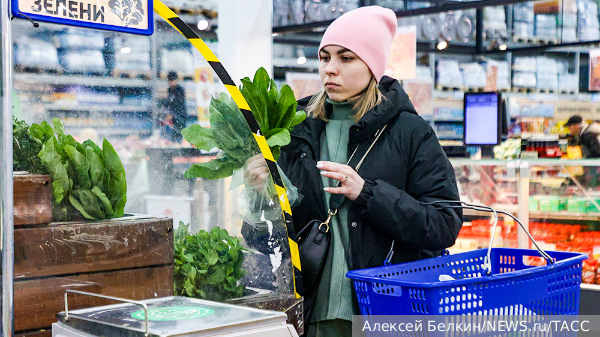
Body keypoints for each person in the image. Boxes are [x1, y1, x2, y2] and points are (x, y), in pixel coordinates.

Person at [247, 6, 462, 336]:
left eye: (346, 58)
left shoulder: (411, 133)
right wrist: (260, 196)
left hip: (385, 314)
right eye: (324, 57)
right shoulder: (296, 129)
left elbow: (444, 224)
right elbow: (268, 242)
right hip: (309, 314)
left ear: (373, 65)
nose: (330, 69)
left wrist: (368, 194)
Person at [166, 71, 187, 142]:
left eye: (172, 80)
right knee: (172, 136)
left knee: (178, 134)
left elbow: (179, 104)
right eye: (170, 81)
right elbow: (169, 103)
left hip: (180, 116)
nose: (171, 83)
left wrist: (172, 114)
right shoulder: (169, 90)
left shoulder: (180, 90)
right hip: (173, 116)